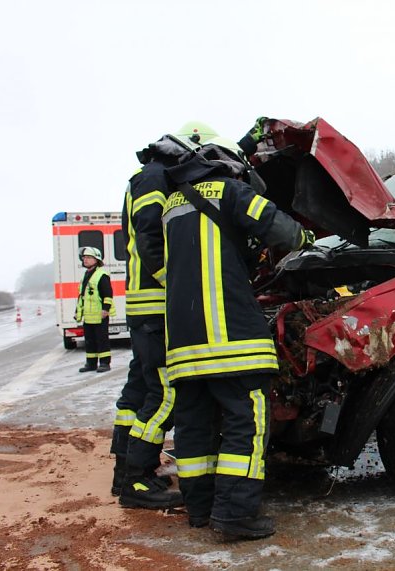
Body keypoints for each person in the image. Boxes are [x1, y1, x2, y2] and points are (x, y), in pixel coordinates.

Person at [162, 136, 313, 538]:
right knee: (247, 423)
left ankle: (200, 509)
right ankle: (235, 516)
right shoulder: (232, 190)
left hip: (183, 345)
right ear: (229, 163)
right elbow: (285, 233)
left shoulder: (171, 205)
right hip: (232, 341)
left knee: (194, 428)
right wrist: (309, 240)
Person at [112, 122, 218, 509]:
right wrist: (176, 284)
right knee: (167, 394)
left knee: (140, 389)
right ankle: (135, 481)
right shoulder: (155, 178)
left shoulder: (144, 176)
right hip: (156, 305)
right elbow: (149, 237)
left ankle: (124, 470)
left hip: (143, 306)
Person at [74, 246, 114, 373]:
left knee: (102, 339)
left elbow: (108, 294)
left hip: (99, 314)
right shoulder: (86, 274)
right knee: (89, 340)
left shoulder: (101, 275)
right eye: (84, 257)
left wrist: (106, 309)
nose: (85, 260)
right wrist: (78, 311)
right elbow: (82, 297)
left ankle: (104, 363)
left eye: (89, 258)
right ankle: (91, 364)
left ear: (96, 260)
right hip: (89, 315)